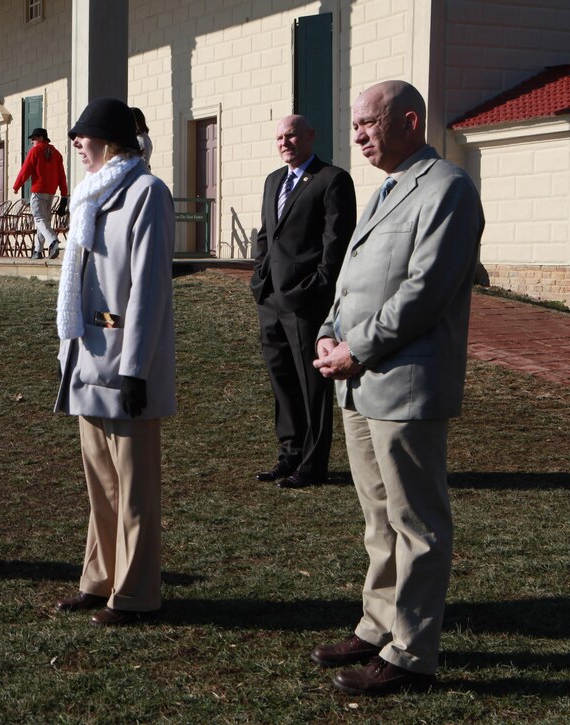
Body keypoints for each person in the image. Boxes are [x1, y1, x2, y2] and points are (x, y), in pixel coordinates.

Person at [311, 80, 484, 695]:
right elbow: (353, 281)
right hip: (359, 384)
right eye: (355, 124)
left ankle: (411, 653)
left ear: (409, 121)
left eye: (367, 122)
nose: (356, 134)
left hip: (404, 385)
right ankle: (376, 624)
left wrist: (355, 348)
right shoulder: (387, 188)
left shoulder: (447, 189)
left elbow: (424, 292)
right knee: (378, 519)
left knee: (416, 525)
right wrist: (330, 334)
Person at [52, 97, 176, 626]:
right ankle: (99, 579)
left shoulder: (146, 192)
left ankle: (136, 592)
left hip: (124, 364)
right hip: (86, 358)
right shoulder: (89, 194)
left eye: (83, 137)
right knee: (100, 483)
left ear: (110, 140)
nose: (76, 145)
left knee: (134, 489)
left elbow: (148, 289)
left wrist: (135, 369)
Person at [250, 115, 356, 488]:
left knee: (312, 386)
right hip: (271, 299)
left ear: (310, 136)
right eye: (279, 136)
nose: (285, 142)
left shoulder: (332, 179)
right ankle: (289, 455)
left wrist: (318, 286)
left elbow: (336, 242)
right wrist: (259, 277)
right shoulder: (273, 181)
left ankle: (312, 466)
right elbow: (267, 234)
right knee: (283, 381)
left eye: (292, 135)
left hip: (306, 302)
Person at [12, 127, 69, 259]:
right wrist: (64, 194)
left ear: (41, 138)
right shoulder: (57, 154)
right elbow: (62, 176)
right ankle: (37, 251)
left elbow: (25, 170)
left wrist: (17, 186)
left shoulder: (35, 151)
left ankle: (53, 240)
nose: (32, 141)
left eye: (34, 138)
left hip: (38, 191)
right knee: (43, 222)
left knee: (39, 219)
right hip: (51, 193)